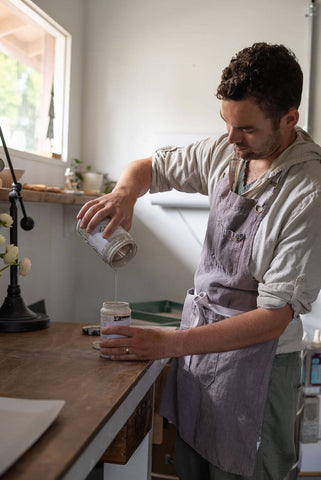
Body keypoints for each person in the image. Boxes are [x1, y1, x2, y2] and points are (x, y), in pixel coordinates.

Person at [77, 43, 321, 479]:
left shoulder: (308, 193)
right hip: (201, 352)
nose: (231, 139)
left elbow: (271, 318)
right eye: (225, 124)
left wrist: (168, 344)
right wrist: (124, 193)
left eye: (245, 128)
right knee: (192, 465)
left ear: (289, 119)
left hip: (259, 370)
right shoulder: (227, 154)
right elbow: (148, 166)